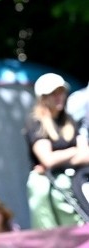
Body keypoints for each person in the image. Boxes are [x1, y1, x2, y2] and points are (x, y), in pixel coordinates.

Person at [24, 72, 89, 229]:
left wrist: (60, 158)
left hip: (73, 181)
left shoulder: (69, 121)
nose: (58, 97)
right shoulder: (36, 122)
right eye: (53, 93)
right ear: (43, 97)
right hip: (47, 184)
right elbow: (47, 159)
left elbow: (86, 155)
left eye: (61, 92)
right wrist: (75, 151)